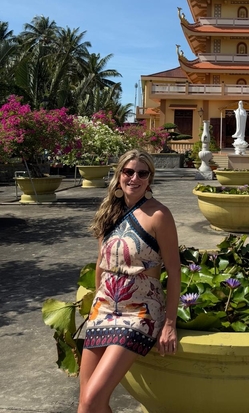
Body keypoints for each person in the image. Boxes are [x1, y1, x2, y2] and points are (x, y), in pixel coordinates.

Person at [78, 149, 181, 413]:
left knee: (93, 399)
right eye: (128, 172)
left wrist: (169, 323)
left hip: (140, 312)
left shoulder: (158, 215)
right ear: (119, 175)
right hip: (104, 308)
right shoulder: (109, 212)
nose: (134, 178)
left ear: (149, 179)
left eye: (142, 173)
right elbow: (102, 263)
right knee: (87, 404)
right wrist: (94, 307)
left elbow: (174, 269)